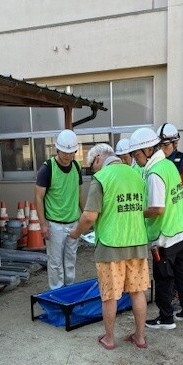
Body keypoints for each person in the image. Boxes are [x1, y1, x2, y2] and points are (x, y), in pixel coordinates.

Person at [69, 144, 150, 350]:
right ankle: (140, 337)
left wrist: (76, 233)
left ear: (98, 158)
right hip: (137, 242)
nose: (93, 170)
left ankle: (109, 338)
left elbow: (89, 216)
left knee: (110, 295)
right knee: (137, 292)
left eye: (92, 165)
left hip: (110, 244)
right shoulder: (136, 175)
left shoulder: (102, 178)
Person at [128, 127, 183, 330]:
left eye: (137, 154)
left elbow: (157, 209)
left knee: (164, 278)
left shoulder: (154, 173)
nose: (135, 159)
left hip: (166, 236)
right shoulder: (168, 165)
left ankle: (166, 318)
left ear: (148, 150)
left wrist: (136, 214)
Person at [34, 129, 84, 290]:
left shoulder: (76, 167)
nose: (68, 156)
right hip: (54, 224)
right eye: (65, 152)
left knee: (70, 259)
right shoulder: (47, 169)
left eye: (71, 152)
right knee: (55, 262)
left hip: (73, 221)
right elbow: (38, 198)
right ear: (57, 150)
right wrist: (43, 224)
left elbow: (79, 192)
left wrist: (84, 215)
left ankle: (69, 290)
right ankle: (56, 292)